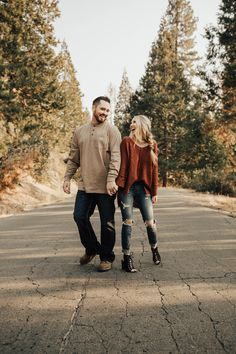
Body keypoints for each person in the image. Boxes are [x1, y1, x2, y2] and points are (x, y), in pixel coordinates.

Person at [63, 96, 121, 272]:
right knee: (79, 216)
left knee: (107, 223)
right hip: (85, 185)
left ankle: (106, 257)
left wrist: (111, 179)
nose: (105, 113)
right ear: (94, 108)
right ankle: (92, 248)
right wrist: (67, 178)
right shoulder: (79, 131)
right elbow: (73, 159)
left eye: (107, 110)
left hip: (106, 186)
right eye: (102, 109)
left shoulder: (112, 131)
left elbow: (116, 158)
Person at [116, 115, 161, 273]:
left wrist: (154, 192)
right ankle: (126, 258)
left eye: (134, 121)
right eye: (131, 121)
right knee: (127, 222)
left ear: (142, 124)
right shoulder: (126, 142)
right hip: (127, 188)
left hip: (144, 190)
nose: (131, 123)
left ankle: (154, 249)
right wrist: (118, 186)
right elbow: (122, 166)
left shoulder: (152, 145)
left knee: (150, 222)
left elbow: (154, 171)